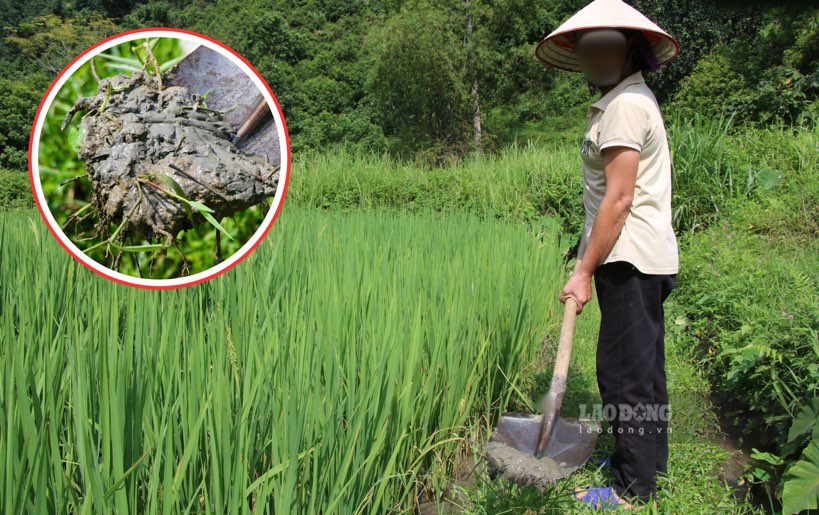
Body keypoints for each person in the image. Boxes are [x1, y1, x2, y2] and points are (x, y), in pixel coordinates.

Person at [534, 0, 681, 509]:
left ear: (631, 50)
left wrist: (582, 269)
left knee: (622, 375)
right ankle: (645, 460)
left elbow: (617, 200)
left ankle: (629, 488)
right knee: (644, 369)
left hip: (629, 258)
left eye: (608, 48)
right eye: (589, 49)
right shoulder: (627, 100)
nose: (597, 58)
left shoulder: (622, 107)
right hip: (646, 256)